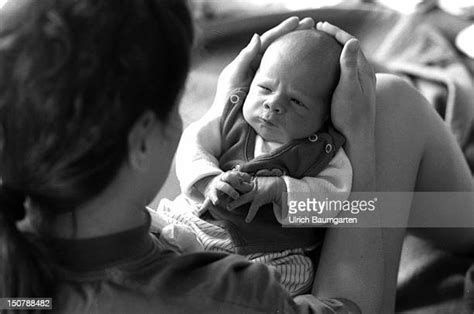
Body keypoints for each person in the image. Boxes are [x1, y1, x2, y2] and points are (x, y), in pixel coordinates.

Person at [0, 0, 361, 312]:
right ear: (141, 139)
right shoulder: (237, 294)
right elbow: (350, 307)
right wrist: (359, 134)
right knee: (395, 104)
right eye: (178, 105)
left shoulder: (21, 292)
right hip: (287, 254)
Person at [157, 29, 352, 296]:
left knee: (290, 279)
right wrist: (209, 180)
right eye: (265, 88)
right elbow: (193, 146)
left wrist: (280, 190)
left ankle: (214, 287)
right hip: (196, 224)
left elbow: (334, 199)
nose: (272, 104)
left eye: (296, 101)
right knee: (152, 231)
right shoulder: (232, 119)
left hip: (266, 253)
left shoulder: (322, 151)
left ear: (326, 114)